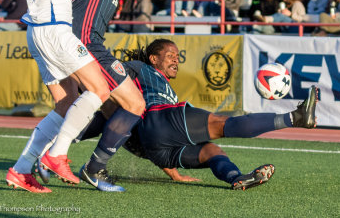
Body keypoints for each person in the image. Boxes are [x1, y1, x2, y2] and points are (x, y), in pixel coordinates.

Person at [42, 0, 190, 192]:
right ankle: (92, 169)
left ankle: (33, 162)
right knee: (134, 104)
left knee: (78, 106)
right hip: (85, 41)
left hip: (67, 37)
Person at [70, 39, 318, 190]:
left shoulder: (166, 87)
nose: (176, 61)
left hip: (157, 150)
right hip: (158, 120)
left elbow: (157, 135)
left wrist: (174, 173)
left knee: (212, 151)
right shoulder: (142, 68)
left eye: (177, 57)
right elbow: (106, 73)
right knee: (223, 123)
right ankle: (295, 118)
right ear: (154, 58)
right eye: (170, 56)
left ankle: (236, 178)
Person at [6, 0, 112, 194]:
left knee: (67, 105)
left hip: (48, 28)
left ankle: (22, 171)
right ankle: (56, 155)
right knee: (100, 89)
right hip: (52, 29)